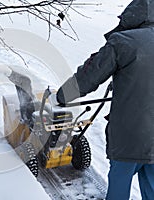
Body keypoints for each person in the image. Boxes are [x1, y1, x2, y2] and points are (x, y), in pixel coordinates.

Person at [50, 0, 154, 199]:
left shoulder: (123, 42)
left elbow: (88, 77)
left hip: (129, 137)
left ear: (132, 16)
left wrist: (61, 97)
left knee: (119, 188)